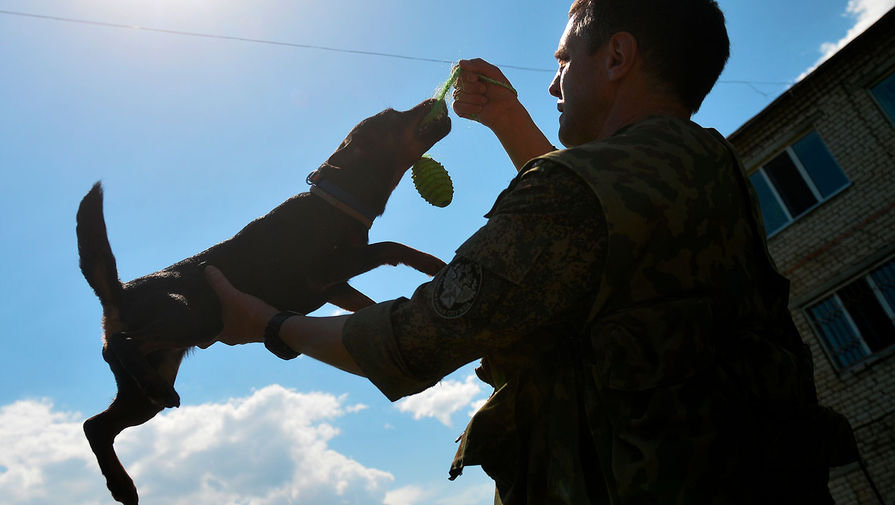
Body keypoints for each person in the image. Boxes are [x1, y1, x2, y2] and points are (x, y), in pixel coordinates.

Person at [203, 0, 858, 503]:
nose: (552, 84)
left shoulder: (570, 196)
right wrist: (510, 122)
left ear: (617, 56)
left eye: (563, 60)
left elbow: (413, 337)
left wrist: (266, 324)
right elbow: (599, 223)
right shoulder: (705, 163)